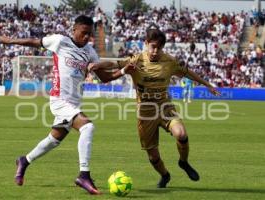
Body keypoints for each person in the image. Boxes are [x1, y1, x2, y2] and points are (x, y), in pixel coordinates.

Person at [0, 15, 134, 195]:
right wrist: (10, 40)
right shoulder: (60, 41)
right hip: (59, 99)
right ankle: (83, 175)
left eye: (89, 34)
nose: (86, 37)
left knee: (53, 140)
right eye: (83, 33)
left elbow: (105, 78)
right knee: (88, 127)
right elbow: (34, 41)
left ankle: (24, 160)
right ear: (74, 30)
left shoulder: (90, 52)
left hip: (74, 102)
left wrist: (124, 70)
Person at [89, 25, 221, 188]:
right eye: (153, 47)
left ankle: (184, 162)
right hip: (145, 113)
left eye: (159, 48)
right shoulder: (136, 60)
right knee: (153, 156)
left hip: (165, 107)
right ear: (146, 43)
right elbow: (115, 64)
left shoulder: (170, 61)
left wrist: (207, 84)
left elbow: (187, 72)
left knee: (181, 134)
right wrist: (98, 65)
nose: (155, 51)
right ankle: (165, 175)